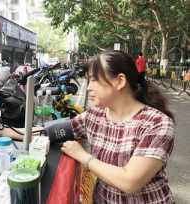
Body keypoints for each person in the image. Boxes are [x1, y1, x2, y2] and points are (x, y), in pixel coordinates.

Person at [61, 51, 175, 203]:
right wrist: (21, 132)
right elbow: (53, 131)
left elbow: (130, 181)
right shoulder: (95, 115)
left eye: (94, 80)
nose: (88, 87)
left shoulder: (157, 123)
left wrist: (82, 156)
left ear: (120, 81)